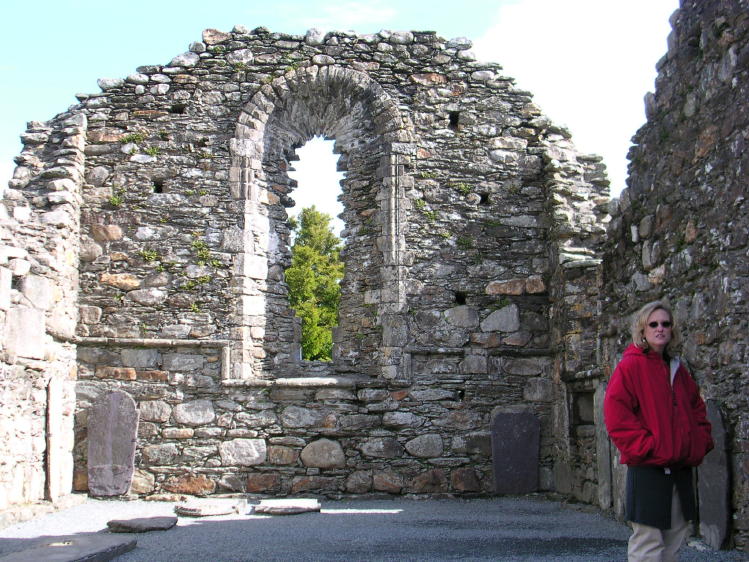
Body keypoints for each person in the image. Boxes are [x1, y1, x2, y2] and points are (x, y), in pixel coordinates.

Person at [604, 300, 713, 562]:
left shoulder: (678, 369)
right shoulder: (631, 366)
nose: (660, 329)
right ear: (642, 330)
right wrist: (649, 447)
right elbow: (616, 414)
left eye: (665, 324)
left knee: (674, 540)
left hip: (680, 468)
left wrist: (697, 442)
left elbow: (697, 408)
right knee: (648, 543)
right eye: (653, 324)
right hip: (649, 468)